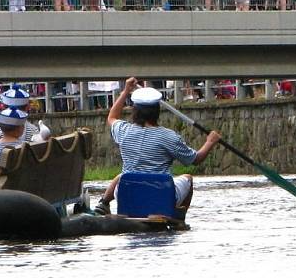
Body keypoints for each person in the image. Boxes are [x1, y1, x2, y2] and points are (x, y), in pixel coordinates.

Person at [93, 78, 221, 217]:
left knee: (123, 176)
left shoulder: (124, 130)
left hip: (127, 194)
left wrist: (126, 91)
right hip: (161, 195)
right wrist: (210, 142)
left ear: (135, 111)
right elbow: (195, 159)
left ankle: (104, 203)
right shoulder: (169, 137)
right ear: (157, 111)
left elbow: (112, 117)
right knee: (188, 178)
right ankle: (179, 218)